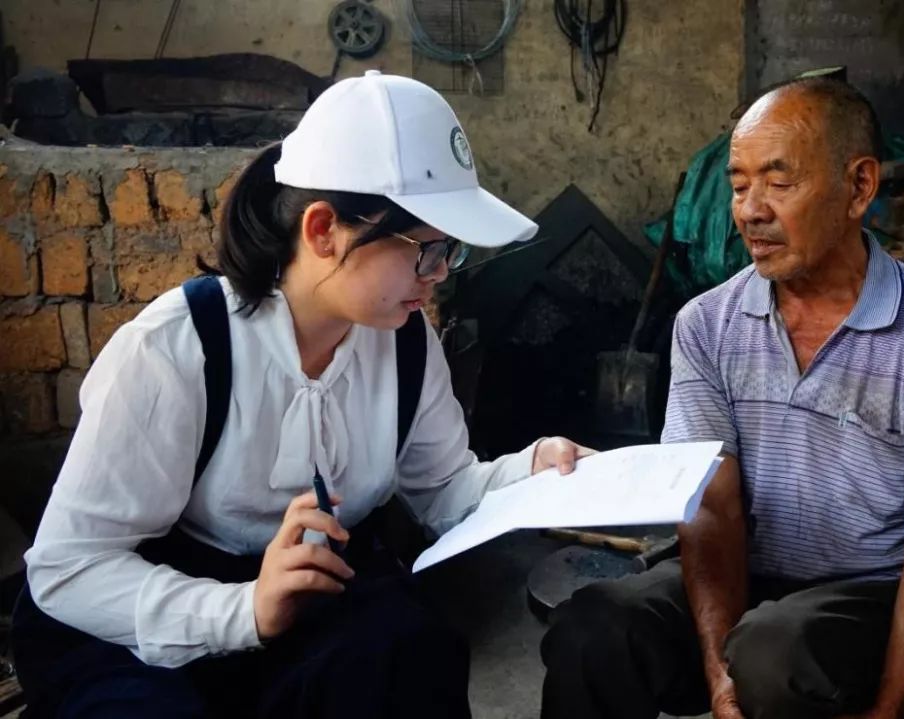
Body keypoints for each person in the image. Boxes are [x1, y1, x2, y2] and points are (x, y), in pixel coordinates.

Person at [13, 71, 591, 719]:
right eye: (426, 251)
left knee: (412, 653)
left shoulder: (402, 341)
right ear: (323, 231)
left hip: (306, 603)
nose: (436, 278)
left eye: (448, 255)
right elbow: (68, 569)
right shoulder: (176, 350)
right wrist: (244, 609)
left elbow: (445, 489)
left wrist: (535, 469)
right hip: (143, 618)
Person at [540, 78, 904, 719]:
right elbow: (713, 510)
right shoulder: (707, 324)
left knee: (773, 653)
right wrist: (715, 673)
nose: (749, 211)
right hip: (754, 585)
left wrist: (892, 712)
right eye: (738, 185)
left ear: (860, 188)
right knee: (594, 628)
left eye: (779, 183)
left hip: (879, 596)